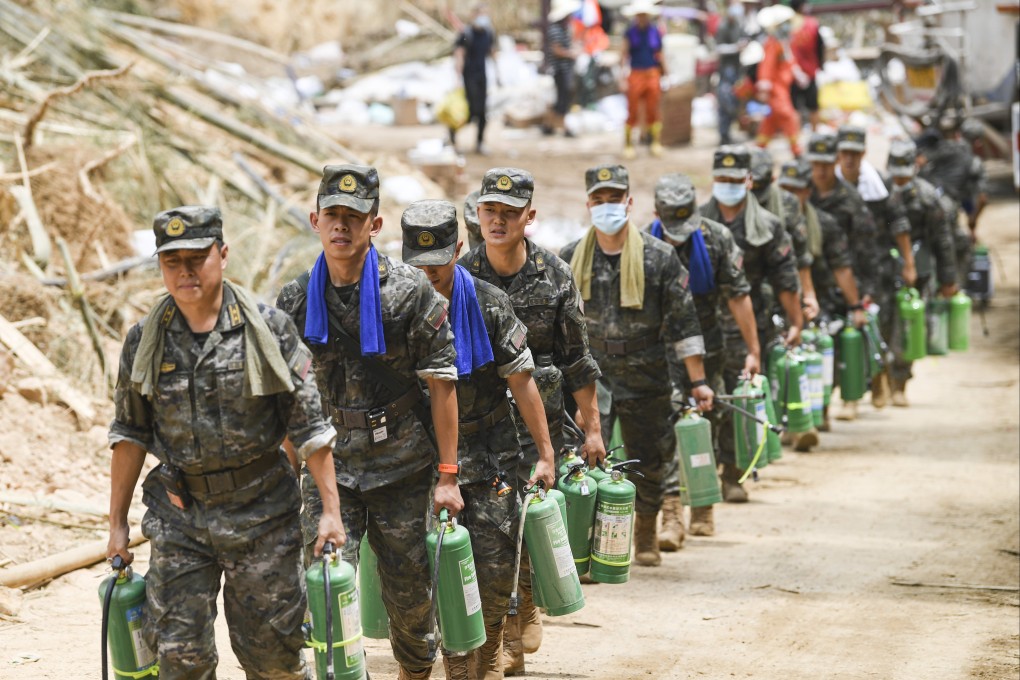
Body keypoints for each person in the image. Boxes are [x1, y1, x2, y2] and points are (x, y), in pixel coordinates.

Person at [106, 206, 343, 679]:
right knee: (179, 657)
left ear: (223, 254)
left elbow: (310, 429)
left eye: (197, 258)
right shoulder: (145, 339)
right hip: (179, 516)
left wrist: (331, 513)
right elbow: (129, 434)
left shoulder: (268, 329)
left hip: (262, 516)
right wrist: (116, 523)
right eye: (173, 262)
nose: (186, 271)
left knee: (273, 658)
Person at [276, 165, 462, 680]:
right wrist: (280, 474)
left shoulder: (409, 293)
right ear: (315, 220)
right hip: (329, 469)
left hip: (402, 467)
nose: (342, 227)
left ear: (374, 225)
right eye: (332, 216)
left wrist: (448, 475)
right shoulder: (294, 301)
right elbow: (287, 398)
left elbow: (443, 385)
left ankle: (417, 667)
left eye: (353, 218)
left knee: (410, 597)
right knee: (326, 584)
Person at [400, 200, 556, 680]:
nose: (430, 274)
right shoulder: (395, 306)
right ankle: (440, 661)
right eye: (419, 264)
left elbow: (522, 380)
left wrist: (546, 453)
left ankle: (486, 652)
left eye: (440, 261)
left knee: (492, 566)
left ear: (459, 249)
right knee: (422, 571)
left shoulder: (489, 303)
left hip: (490, 451)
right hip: (423, 457)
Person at [459, 167, 604, 676]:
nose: (498, 221)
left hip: (538, 426)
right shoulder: (461, 274)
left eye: (509, 213)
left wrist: (592, 427)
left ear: (530, 218)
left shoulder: (555, 275)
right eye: (489, 211)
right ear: (477, 215)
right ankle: (497, 632)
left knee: (522, 520)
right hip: (480, 425)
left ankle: (524, 606)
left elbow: (578, 361)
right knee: (489, 531)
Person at [560, 164, 712, 566]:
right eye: (599, 199)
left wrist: (698, 382)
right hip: (592, 377)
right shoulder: (569, 258)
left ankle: (645, 532)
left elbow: (685, 325)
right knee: (587, 457)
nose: (607, 206)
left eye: (615, 199)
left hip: (648, 373)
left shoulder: (659, 258)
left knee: (649, 456)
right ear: (588, 204)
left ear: (629, 203)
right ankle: (590, 549)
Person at [648, 173, 757, 538]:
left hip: (708, 346)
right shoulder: (645, 244)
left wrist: (752, 350)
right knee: (666, 427)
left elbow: (738, 297)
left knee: (707, 425)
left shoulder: (715, 239)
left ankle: (704, 505)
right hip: (660, 352)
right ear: (657, 212)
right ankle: (672, 510)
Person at [700, 145, 808, 480]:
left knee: (738, 395)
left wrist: (796, 321)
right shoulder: (698, 221)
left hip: (749, 324)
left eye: (735, 178)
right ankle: (704, 471)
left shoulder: (768, 225)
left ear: (748, 180)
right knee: (705, 396)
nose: (728, 184)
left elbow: (786, 277)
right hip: (703, 324)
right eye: (722, 178)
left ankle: (733, 472)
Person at [778, 158, 866, 431]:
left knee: (822, 356)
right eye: (785, 189)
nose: (790, 197)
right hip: (781, 300)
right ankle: (790, 421)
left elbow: (842, 268)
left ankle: (821, 411)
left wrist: (856, 305)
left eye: (797, 190)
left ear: (807, 191)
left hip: (819, 300)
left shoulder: (825, 224)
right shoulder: (769, 224)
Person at [835, 125, 915, 409]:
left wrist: (908, 263)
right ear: (838, 154)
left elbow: (899, 225)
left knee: (879, 328)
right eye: (845, 152)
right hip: (839, 270)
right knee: (845, 332)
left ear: (863, 154)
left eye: (855, 153)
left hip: (876, 269)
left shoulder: (880, 186)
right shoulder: (827, 187)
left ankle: (883, 379)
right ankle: (851, 396)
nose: (850, 159)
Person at [804, 132, 878, 422]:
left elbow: (866, 249)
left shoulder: (850, 199)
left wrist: (862, 294)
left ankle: (851, 396)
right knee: (816, 344)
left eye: (826, 163)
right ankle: (819, 407)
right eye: (816, 163)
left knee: (845, 342)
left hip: (842, 283)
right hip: (810, 281)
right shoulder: (801, 192)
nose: (821, 170)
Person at [884, 140, 958, 406]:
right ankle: (881, 379)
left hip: (921, 269)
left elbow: (943, 240)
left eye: (905, 171)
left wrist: (948, 279)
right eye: (896, 172)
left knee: (912, 325)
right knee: (882, 323)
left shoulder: (927, 197)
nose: (900, 177)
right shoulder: (879, 191)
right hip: (883, 268)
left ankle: (901, 382)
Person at [751, 148, 820, 322]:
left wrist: (809, 295)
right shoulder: (726, 207)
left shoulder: (788, 204)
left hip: (781, 288)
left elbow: (802, 255)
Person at [620, 1, 665, 158]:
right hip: (635, 73)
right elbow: (624, 54)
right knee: (632, 109)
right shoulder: (630, 32)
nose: (642, 17)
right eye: (639, 15)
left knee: (653, 108)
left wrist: (665, 74)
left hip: (652, 73)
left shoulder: (655, 32)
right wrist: (622, 77)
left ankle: (654, 142)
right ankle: (628, 143)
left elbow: (660, 54)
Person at [754, 5, 802, 156]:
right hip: (776, 89)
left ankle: (759, 149)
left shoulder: (783, 43)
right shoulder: (772, 43)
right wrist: (765, 85)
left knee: (771, 121)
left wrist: (798, 74)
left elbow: (788, 63)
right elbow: (766, 65)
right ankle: (796, 150)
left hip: (783, 87)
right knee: (788, 116)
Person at [454, 4, 498, 155]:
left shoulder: (488, 33)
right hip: (469, 76)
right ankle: (452, 136)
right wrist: (457, 78)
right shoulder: (466, 33)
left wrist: (499, 75)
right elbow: (459, 54)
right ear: (474, 16)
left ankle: (479, 142)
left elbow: (492, 52)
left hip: (482, 75)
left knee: (483, 112)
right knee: (470, 111)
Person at [544, 1, 579, 137]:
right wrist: (571, 54)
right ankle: (562, 126)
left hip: (564, 70)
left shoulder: (564, 29)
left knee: (562, 98)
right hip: (560, 70)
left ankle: (549, 125)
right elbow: (556, 50)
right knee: (563, 98)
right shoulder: (555, 29)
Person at [715, 0, 748, 145]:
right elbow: (719, 49)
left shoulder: (738, 25)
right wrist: (736, 47)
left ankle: (728, 133)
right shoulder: (723, 26)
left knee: (733, 99)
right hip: (726, 69)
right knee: (725, 101)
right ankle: (723, 135)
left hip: (736, 68)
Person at [788, 0, 823, 131]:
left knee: (794, 107)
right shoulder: (812, 23)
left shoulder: (787, 24)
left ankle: (796, 135)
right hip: (810, 70)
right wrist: (820, 65)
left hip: (792, 72)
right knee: (813, 106)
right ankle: (816, 133)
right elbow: (820, 47)